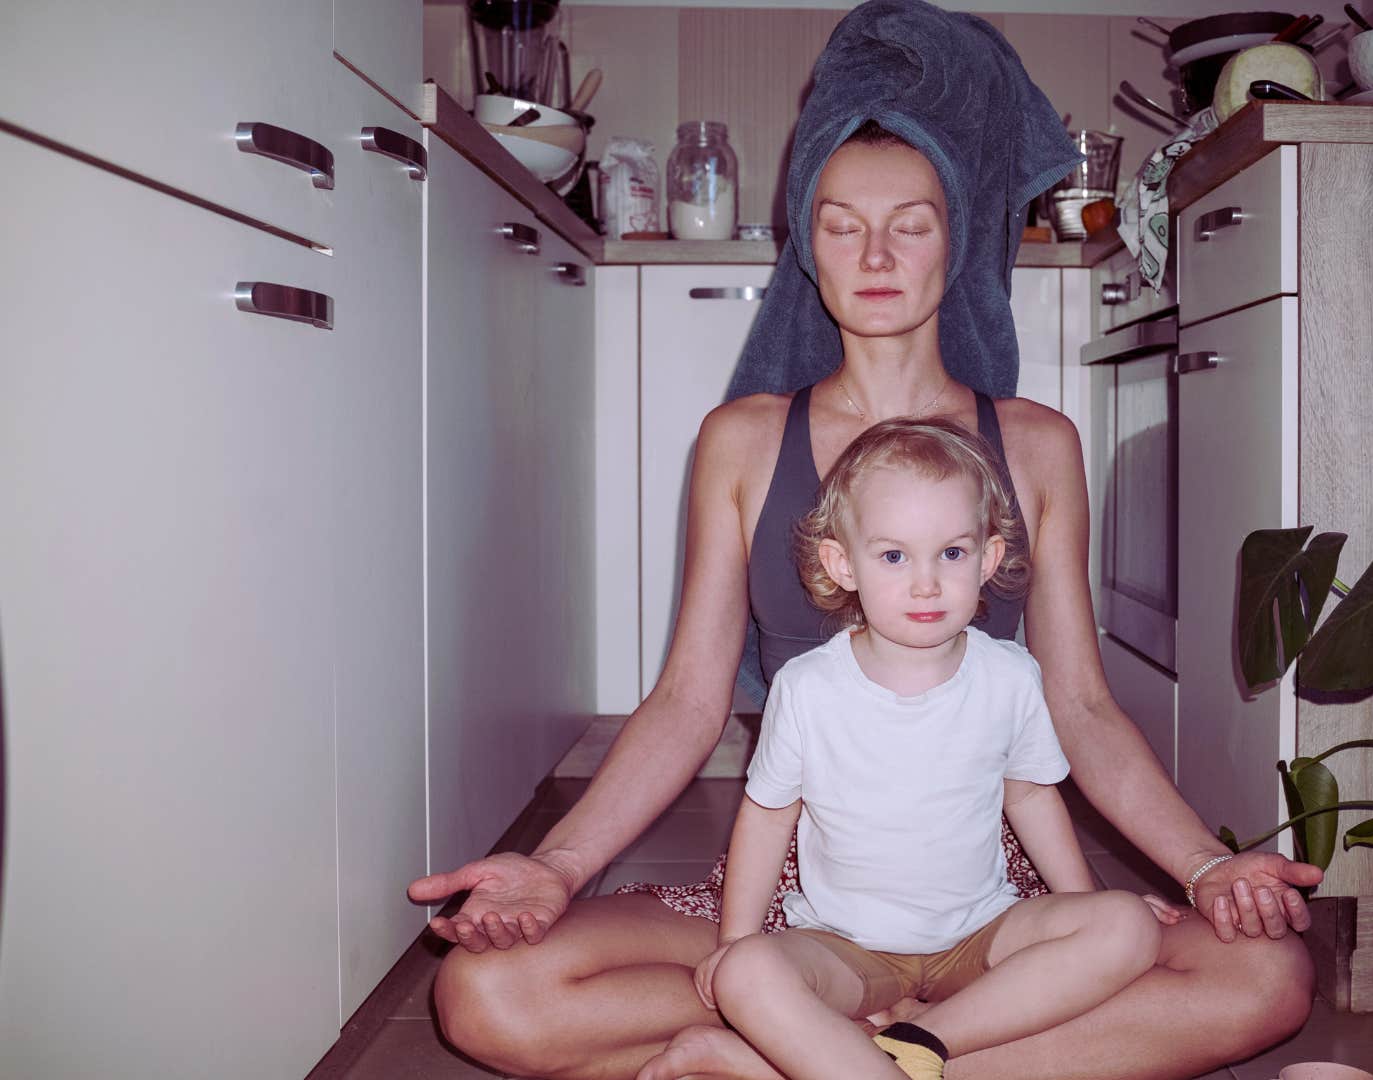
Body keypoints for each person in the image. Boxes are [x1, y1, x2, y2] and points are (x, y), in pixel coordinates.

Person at [407, 10, 1322, 1078]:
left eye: (912, 223)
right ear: (806, 241)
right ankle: (865, 1054)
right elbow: (690, 701)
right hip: (804, 899)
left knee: (1270, 974)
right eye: (841, 225)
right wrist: (557, 868)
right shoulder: (744, 441)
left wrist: (1208, 868)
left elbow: (1076, 705)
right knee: (486, 992)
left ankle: (805, 1065)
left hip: (992, 890)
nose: (876, 255)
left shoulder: (1034, 446)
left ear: (965, 232)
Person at [690, 417, 1177, 1080]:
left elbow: (1030, 793)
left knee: (1127, 927)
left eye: (951, 554)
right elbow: (769, 813)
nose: (927, 583)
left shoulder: (1010, 675)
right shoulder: (809, 689)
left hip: (980, 938)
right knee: (746, 973)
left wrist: (1078, 904)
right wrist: (736, 941)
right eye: (894, 556)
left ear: (987, 559)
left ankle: (918, 1039)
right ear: (843, 564)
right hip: (846, 949)